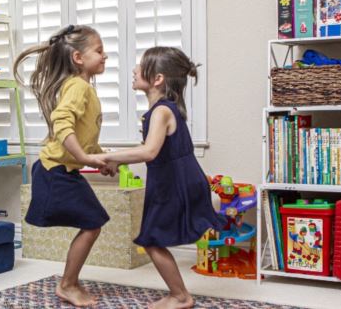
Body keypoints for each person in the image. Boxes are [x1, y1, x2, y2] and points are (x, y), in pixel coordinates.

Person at [92, 47, 222, 309]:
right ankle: (178, 294)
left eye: (140, 66)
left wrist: (111, 156)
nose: (134, 70)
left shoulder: (162, 111)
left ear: (158, 79)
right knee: (152, 238)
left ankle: (180, 296)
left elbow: (149, 152)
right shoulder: (160, 110)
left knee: (151, 240)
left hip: (175, 184)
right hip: (170, 181)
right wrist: (115, 160)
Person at [13, 24, 114, 307]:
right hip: (54, 171)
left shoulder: (85, 89)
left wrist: (99, 158)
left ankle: (70, 281)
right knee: (92, 224)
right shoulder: (78, 87)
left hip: (63, 170)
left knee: (93, 223)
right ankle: (67, 284)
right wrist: (84, 158)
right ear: (79, 58)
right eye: (99, 50)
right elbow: (62, 122)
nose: (104, 56)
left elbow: (84, 136)